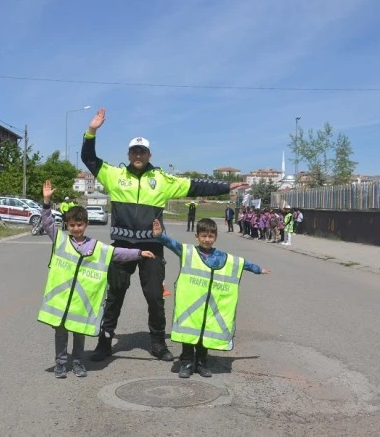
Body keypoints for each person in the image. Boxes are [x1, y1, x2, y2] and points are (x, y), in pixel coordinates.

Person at [81, 107, 248, 362]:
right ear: (128, 154)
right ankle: (104, 343)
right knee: (114, 295)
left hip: (152, 246)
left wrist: (226, 186)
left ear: (149, 154)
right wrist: (92, 130)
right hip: (122, 246)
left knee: (155, 298)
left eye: (142, 152)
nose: (138, 155)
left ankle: (158, 342)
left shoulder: (161, 179)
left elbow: (195, 185)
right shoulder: (114, 175)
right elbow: (89, 158)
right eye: (134, 151)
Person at [37, 180, 156, 378]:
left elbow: (117, 253)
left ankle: (77, 362)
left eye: (79, 225)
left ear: (86, 224)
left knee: (79, 332)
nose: (76, 228)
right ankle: (60, 362)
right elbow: (47, 222)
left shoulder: (96, 247)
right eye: (72, 225)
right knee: (60, 333)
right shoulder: (61, 241)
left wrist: (138, 253)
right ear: (67, 225)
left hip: (81, 303)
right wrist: (47, 201)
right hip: (61, 300)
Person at [152, 218, 271, 378]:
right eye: (203, 236)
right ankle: (187, 363)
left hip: (209, 308)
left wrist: (257, 269)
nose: (207, 240)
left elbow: (239, 263)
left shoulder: (221, 257)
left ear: (215, 237)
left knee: (204, 337)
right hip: (191, 306)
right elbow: (173, 245)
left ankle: (201, 363)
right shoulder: (188, 252)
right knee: (189, 335)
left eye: (210, 236)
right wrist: (160, 236)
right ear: (197, 237)